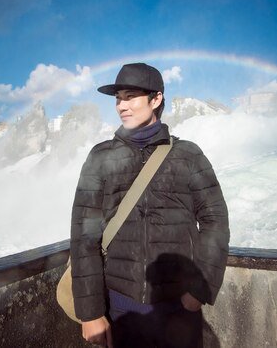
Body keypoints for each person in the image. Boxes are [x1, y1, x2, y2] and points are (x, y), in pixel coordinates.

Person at [69, 63, 230, 347]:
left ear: (156, 99)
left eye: (130, 96)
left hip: (180, 309)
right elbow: (84, 236)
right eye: (118, 98)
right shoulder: (99, 157)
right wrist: (90, 313)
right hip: (120, 309)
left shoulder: (188, 155)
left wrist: (197, 292)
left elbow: (215, 220)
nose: (121, 106)